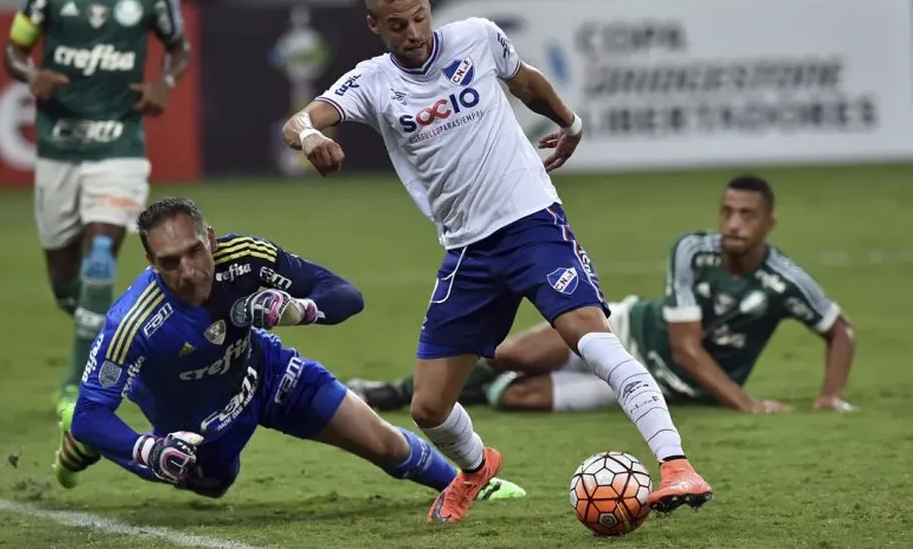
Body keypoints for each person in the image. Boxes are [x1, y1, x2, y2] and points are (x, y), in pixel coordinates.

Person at [281, 0, 712, 524]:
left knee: (592, 339)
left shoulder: (477, 37)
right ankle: (476, 466)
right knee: (429, 407)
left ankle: (676, 465)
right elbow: (300, 119)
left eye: (418, 17)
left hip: (532, 222)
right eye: (396, 25)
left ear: (427, 7)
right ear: (374, 26)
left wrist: (571, 123)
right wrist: (312, 137)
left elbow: (525, 79)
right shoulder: (373, 82)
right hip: (469, 252)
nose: (412, 33)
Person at [54, 197, 526, 505]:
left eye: (195, 251)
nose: (188, 270)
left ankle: (470, 483)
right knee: (213, 483)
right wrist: (145, 447)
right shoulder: (133, 322)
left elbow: (345, 295)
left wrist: (301, 310)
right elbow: (92, 411)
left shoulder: (245, 259)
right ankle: (87, 451)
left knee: (381, 440)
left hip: (267, 373)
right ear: (151, 264)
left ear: (211, 240)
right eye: (169, 262)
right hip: (195, 423)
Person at [347, 175, 858, 416]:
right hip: (628, 332)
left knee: (520, 395)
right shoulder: (693, 251)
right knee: (509, 354)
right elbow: (685, 347)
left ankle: (478, 393)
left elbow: (840, 330)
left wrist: (829, 394)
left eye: (747, 215)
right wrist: (745, 403)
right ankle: (393, 393)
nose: (733, 223)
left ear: (770, 222)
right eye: (727, 211)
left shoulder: (785, 279)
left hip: (657, 386)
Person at [2, 0, 191, 421]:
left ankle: (75, 390)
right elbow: (14, 51)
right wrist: (30, 73)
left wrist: (163, 85)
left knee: (103, 251)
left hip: (121, 148)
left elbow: (178, 49)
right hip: (59, 151)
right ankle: (126, 347)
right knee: (68, 284)